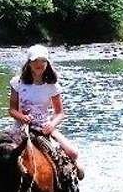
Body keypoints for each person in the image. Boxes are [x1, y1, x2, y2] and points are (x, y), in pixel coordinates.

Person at [9, 44, 83, 176]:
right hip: (21, 127)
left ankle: (72, 173)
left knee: (73, 152)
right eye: (35, 61)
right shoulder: (18, 83)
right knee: (3, 156)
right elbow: (12, 110)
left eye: (43, 61)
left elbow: (60, 113)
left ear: (47, 63)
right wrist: (22, 117)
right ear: (29, 63)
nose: (39, 64)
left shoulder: (52, 86)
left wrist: (52, 125)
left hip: (44, 126)